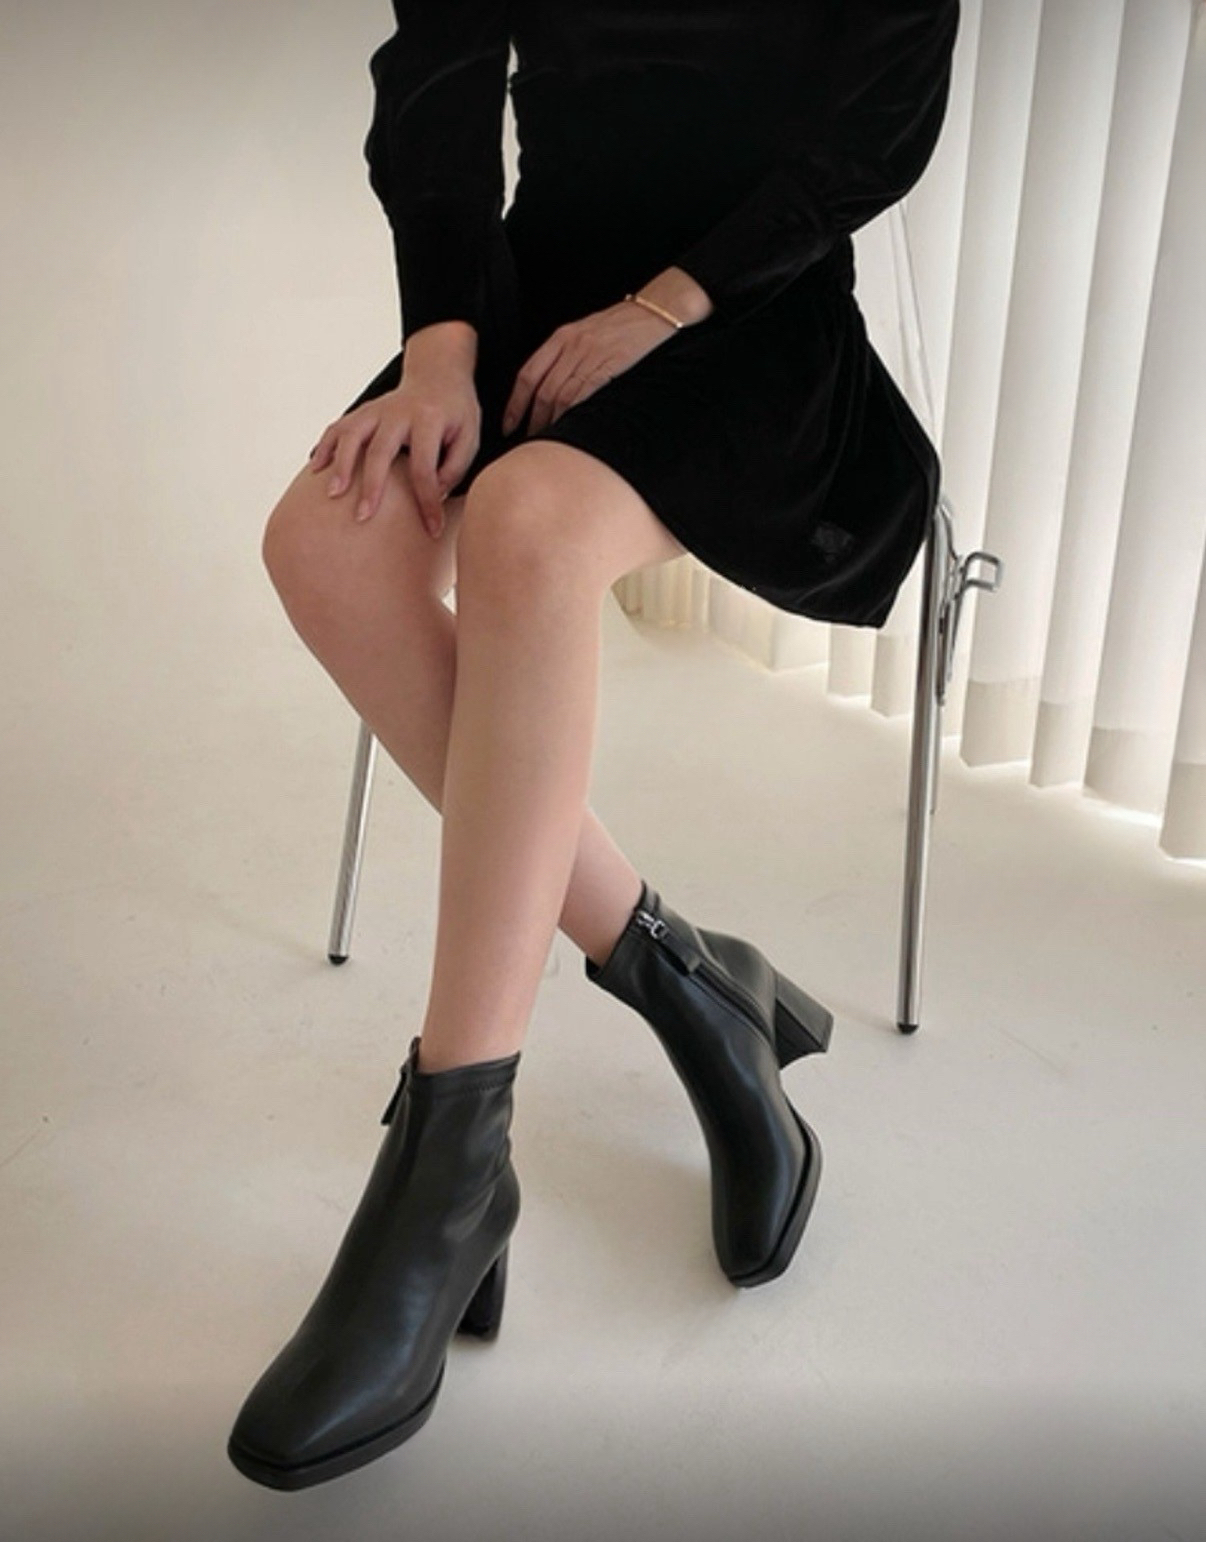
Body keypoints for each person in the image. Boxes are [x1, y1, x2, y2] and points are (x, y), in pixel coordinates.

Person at [227, 0, 960, 1491]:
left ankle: (449, 1173)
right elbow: (437, 65)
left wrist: (666, 307)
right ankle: (695, 985)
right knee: (324, 543)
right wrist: (440, 349)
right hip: (526, 300)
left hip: (749, 310)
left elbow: (881, 117)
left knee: (529, 522)